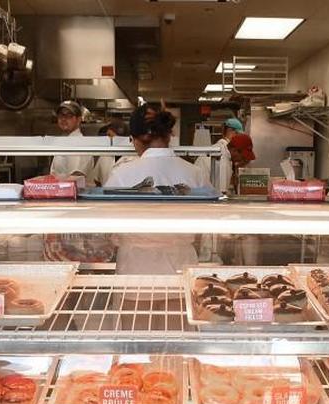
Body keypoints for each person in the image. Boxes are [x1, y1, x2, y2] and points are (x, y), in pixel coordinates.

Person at [106, 104, 209, 277]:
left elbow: (107, 225)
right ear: (169, 136)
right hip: (181, 265)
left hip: (135, 268)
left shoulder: (121, 174)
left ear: (135, 139)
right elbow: (206, 222)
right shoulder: (195, 173)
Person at [48, 100, 95, 185]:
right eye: (61, 115)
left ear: (79, 119)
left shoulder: (81, 144)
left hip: (77, 195)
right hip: (63, 193)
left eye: (69, 116)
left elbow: (76, 176)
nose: (63, 119)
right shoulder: (63, 141)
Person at [93, 119, 129, 187]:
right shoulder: (104, 156)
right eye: (108, 136)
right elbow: (97, 181)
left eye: (111, 136)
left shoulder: (133, 158)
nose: (108, 139)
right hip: (105, 196)